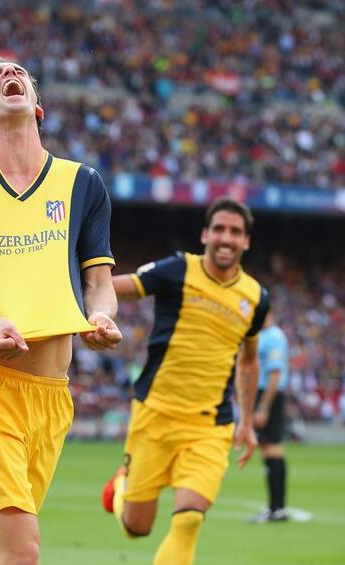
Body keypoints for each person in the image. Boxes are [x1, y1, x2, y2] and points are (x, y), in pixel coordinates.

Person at [0, 59, 121, 564]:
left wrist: (101, 316)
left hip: (51, 398)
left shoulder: (83, 184)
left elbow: (98, 282)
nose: (9, 70)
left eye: (19, 71)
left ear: (37, 104)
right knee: (20, 552)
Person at [102, 198, 268, 565]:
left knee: (190, 517)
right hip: (155, 415)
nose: (227, 238)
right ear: (206, 234)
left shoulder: (256, 298)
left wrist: (247, 421)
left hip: (210, 425)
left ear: (246, 242)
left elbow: (249, 361)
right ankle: (121, 490)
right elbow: (118, 286)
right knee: (136, 527)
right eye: (220, 229)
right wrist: (74, 285)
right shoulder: (178, 269)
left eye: (235, 232)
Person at [249, 309, 290, 523]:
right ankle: (275, 507)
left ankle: (277, 508)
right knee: (268, 449)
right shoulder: (264, 335)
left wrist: (264, 406)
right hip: (264, 395)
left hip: (269, 396)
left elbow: (275, 373)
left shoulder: (274, 336)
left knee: (272, 447)